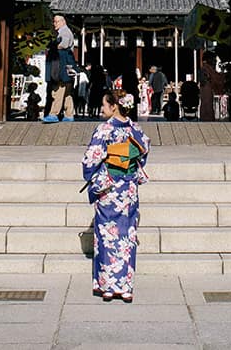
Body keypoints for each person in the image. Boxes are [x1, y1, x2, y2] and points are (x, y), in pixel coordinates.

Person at [82, 91, 149, 302]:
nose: (102, 109)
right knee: (126, 235)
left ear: (113, 106)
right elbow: (144, 151)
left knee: (106, 236)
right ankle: (126, 287)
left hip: (109, 188)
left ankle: (108, 287)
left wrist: (91, 175)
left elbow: (91, 159)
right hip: (127, 189)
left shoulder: (104, 130)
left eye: (104, 105)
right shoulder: (135, 129)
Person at [43, 14, 78, 122]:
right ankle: (69, 114)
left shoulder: (65, 32)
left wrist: (53, 45)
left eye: (56, 21)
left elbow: (63, 45)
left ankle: (54, 113)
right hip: (68, 65)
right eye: (54, 21)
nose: (54, 24)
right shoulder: (65, 31)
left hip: (61, 66)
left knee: (58, 89)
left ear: (63, 22)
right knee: (67, 92)